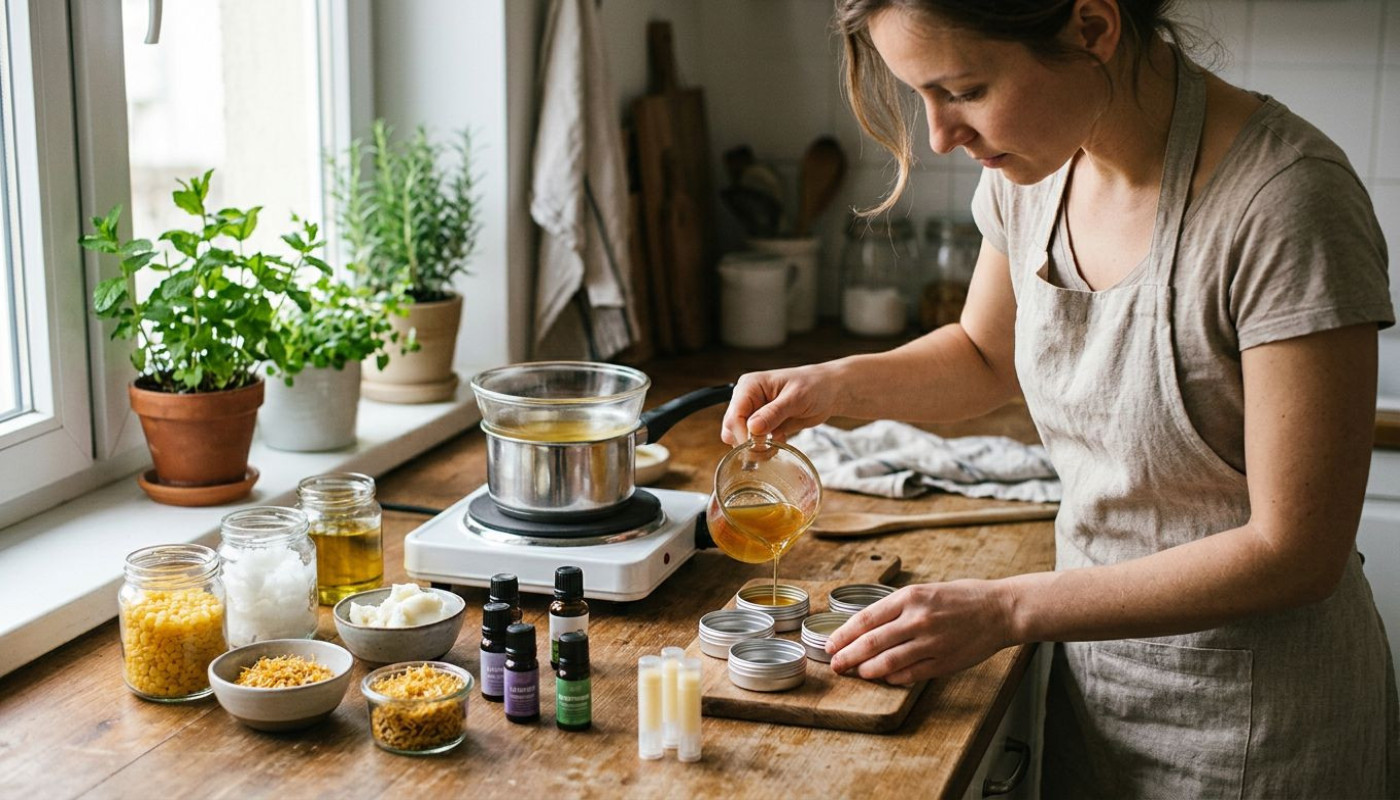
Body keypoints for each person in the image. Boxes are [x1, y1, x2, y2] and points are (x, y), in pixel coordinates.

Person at [719, 0, 1398, 796]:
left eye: (964, 90)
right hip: (1097, 688)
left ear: (1091, 28)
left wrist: (1006, 610)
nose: (940, 136)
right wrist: (833, 384)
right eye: (922, 97)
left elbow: (1298, 553)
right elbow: (981, 354)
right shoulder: (1031, 170)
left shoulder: (1284, 202)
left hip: (1262, 728)